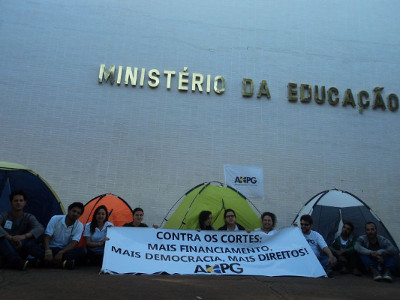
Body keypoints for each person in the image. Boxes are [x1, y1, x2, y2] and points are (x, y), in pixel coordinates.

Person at [0, 190, 44, 270]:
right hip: (6, 247)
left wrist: (23, 236)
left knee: (31, 241)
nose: (18, 203)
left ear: (24, 203)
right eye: (15, 201)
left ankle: (12, 262)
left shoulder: (28, 217)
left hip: (20, 246)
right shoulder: (4, 215)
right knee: (2, 240)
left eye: (21, 200)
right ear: (10, 203)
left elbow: (39, 228)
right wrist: (10, 237)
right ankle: (17, 261)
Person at [43, 202, 86, 269]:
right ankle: (63, 264)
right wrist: (48, 251)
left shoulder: (79, 225)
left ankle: (44, 262)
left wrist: (61, 252)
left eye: (78, 213)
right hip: (51, 249)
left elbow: (74, 243)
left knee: (83, 251)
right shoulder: (55, 219)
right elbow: (46, 237)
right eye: (74, 211)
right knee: (30, 245)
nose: (75, 214)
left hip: (65, 251)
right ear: (68, 210)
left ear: (80, 215)